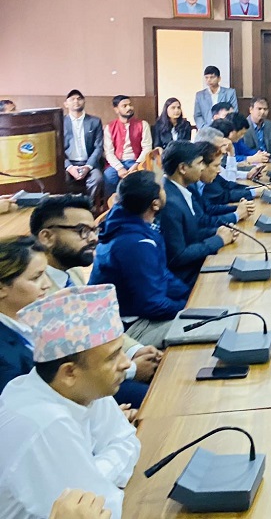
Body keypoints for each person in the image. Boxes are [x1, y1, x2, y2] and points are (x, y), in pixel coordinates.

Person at [0, 284, 140, 519]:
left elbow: (127, 440)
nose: (126, 363)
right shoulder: (42, 422)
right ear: (69, 372)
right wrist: (99, 475)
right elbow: (103, 509)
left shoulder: (83, 386)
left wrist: (93, 472)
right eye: (113, 357)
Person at [29, 196, 158, 402]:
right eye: (82, 231)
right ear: (47, 236)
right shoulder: (34, 293)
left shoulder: (73, 273)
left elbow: (97, 323)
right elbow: (64, 368)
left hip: (104, 365)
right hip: (73, 389)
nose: (93, 238)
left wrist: (135, 350)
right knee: (156, 396)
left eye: (94, 230)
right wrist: (132, 369)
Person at [89, 172, 191, 349]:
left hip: (141, 313)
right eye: (162, 188)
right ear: (155, 204)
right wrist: (188, 308)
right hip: (129, 327)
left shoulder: (132, 224)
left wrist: (188, 295)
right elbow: (152, 305)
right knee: (208, 326)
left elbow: (161, 273)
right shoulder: (135, 243)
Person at [158, 142, 236, 289]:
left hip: (194, 265)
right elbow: (177, 257)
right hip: (185, 278)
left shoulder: (182, 189)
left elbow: (192, 232)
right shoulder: (169, 202)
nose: (202, 168)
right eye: (199, 163)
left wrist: (219, 232)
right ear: (183, 168)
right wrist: (218, 240)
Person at [0, 237, 52, 392]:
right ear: (1, 288)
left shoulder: (41, 316)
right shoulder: (4, 358)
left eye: (45, 274)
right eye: (36, 278)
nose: (47, 284)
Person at [189, 143, 254, 228]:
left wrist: (239, 208)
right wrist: (237, 215)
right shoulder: (190, 187)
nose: (219, 170)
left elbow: (209, 209)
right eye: (216, 166)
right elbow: (202, 222)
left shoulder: (199, 184)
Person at [102, 95, 152, 194]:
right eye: (124, 106)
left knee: (141, 178)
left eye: (130, 105)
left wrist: (137, 165)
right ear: (116, 109)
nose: (129, 108)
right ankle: (113, 202)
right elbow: (108, 152)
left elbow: (147, 148)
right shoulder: (109, 127)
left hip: (137, 161)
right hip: (116, 164)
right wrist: (120, 168)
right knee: (109, 176)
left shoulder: (143, 125)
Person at [63, 89, 104, 206]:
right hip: (68, 164)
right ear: (66, 104)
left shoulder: (95, 121)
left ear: (84, 102)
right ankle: (69, 207)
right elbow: (57, 150)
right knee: (61, 180)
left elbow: (99, 147)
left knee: (97, 179)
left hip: (89, 163)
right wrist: (69, 167)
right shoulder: (60, 122)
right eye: (72, 99)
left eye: (79, 99)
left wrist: (88, 166)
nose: (76, 101)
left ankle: (88, 205)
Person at [193, 66, 237, 130]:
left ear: (219, 78)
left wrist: (226, 126)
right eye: (206, 77)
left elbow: (234, 112)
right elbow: (197, 115)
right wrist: (204, 128)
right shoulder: (200, 95)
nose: (209, 80)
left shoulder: (229, 93)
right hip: (206, 130)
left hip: (225, 128)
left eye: (212, 77)